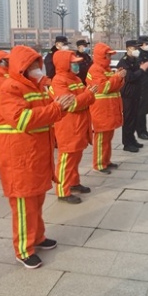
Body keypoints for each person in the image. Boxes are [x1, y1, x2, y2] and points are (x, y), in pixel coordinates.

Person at [0, 46, 74, 268]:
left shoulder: (36, 87)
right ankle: (24, 249)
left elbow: (48, 114)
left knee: (36, 201)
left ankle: (37, 237)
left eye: (38, 63)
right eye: (33, 65)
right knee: (24, 205)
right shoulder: (9, 88)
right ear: (22, 67)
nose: (37, 68)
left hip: (34, 155)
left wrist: (61, 108)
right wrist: (57, 109)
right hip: (18, 158)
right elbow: (22, 119)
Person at [49, 50, 97, 204]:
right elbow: (71, 104)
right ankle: (63, 191)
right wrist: (88, 95)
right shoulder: (58, 81)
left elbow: (85, 99)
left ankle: (74, 182)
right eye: (73, 63)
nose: (77, 66)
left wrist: (88, 96)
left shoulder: (75, 79)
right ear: (65, 64)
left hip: (79, 124)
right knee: (67, 159)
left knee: (76, 157)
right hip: (68, 126)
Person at [87, 42, 126, 173]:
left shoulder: (107, 70)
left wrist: (119, 78)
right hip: (101, 110)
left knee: (108, 138)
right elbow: (104, 88)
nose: (110, 58)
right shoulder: (95, 70)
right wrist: (117, 77)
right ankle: (99, 164)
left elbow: (115, 86)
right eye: (108, 55)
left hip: (109, 108)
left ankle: (106, 161)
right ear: (101, 56)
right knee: (101, 139)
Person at [117, 40, 148, 152]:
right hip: (128, 95)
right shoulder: (123, 62)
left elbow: (139, 76)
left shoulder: (135, 60)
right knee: (128, 119)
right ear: (128, 49)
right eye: (134, 48)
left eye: (137, 48)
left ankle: (132, 140)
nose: (136, 50)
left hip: (136, 93)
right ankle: (127, 143)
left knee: (134, 118)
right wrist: (141, 69)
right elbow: (130, 77)